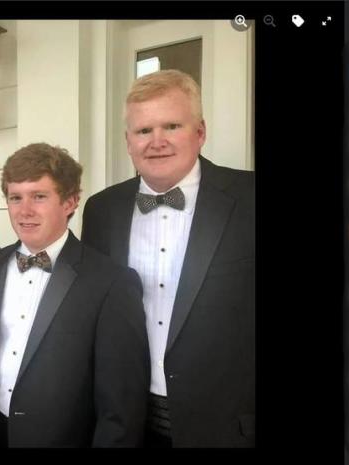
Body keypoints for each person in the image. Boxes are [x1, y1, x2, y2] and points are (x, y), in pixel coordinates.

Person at [82, 69, 255, 447]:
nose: (156, 141)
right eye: (144, 131)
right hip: (128, 424)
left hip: (227, 428)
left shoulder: (250, 198)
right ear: (128, 141)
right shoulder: (101, 209)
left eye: (172, 126)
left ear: (200, 133)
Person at [0, 143, 149, 447]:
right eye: (15, 197)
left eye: (39, 197)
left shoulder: (111, 283)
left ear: (70, 201)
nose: (24, 210)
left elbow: (121, 409)